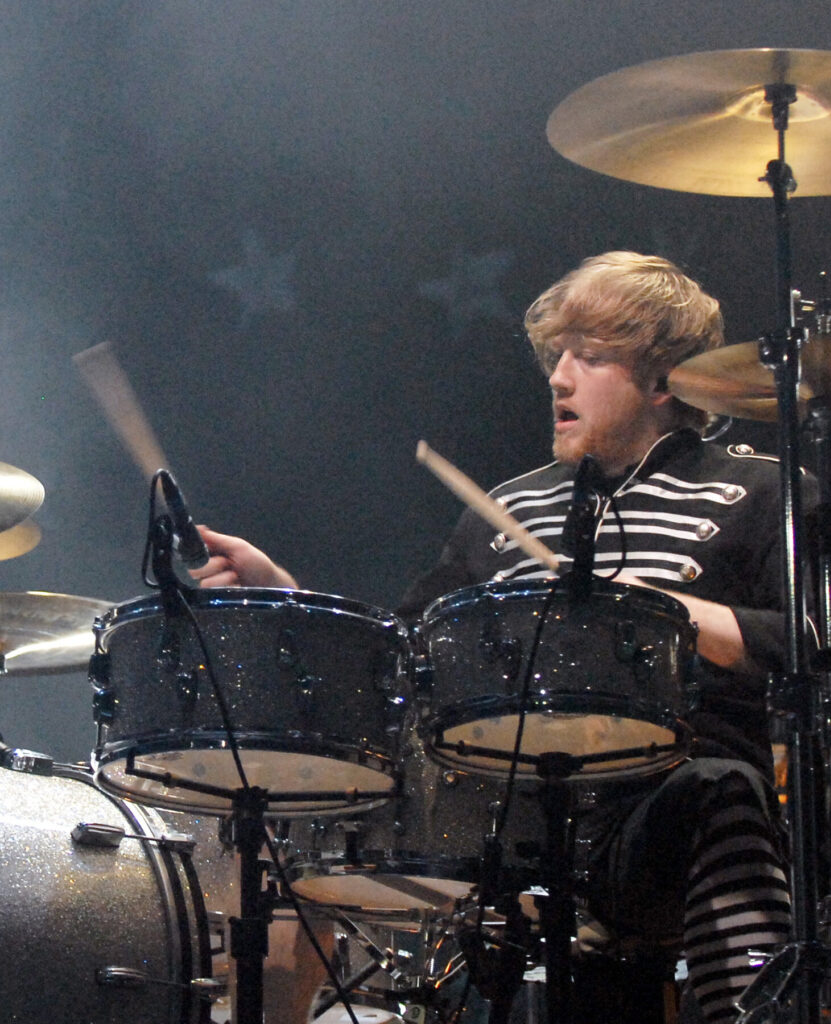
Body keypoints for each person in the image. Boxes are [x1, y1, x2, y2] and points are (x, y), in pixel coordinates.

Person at [193, 251, 794, 1024]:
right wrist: (286, 593)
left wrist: (655, 608)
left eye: (591, 357)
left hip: (660, 829)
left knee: (724, 788)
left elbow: (819, 642)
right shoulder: (508, 510)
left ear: (663, 380)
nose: (559, 378)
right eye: (557, 356)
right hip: (511, 831)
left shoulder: (759, 490)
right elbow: (402, 654)